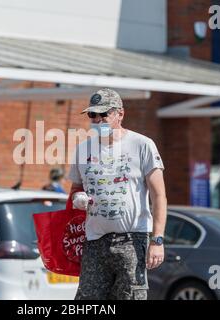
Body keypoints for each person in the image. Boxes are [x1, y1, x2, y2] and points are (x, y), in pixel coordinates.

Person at [68, 88, 167, 300]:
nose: (98, 119)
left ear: (120, 114)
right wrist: (78, 198)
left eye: (104, 114)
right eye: (92, 115)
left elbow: (159, 196)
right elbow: (75, 188)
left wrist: (157, 241)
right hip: (95, 241)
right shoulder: (83, 149)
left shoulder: (142, 145)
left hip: (132, 239)